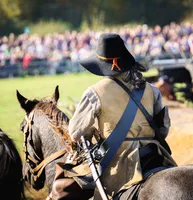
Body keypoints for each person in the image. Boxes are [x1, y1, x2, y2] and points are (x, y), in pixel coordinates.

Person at [65, 33, 177, 200]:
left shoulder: (94, 93)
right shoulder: (151, 90)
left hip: (120, 162)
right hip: (156, 155)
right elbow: (164, 128)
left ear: (101, 64)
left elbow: (75, 132)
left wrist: (92, 133)